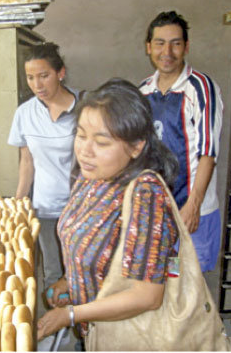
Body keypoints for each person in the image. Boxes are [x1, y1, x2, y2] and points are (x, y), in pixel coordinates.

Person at [37, 78, 180, 347]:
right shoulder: (88, 178)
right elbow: (98, 246)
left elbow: (147, 296)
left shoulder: (145, 195)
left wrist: (70, 315)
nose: (85, 150)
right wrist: (70, 281)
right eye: (81, 135)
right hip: (94, 332)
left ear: (136, 146)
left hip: (131, 338)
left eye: (101, 142)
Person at [139, 11, 224, 272]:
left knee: (191, 289)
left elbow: (208, 153)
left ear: (186, 47)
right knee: (161, 285)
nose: (167, 51)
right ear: (149, 47)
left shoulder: (200, 88)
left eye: (175, 43)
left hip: (192, 211)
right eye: (160, 43)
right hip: (157, 212)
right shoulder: (142, 91)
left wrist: (193, 205)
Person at [7, 42, 82, 291]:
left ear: (60, 73)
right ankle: (58, 324)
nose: (37, 85)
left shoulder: (84, 107)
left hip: (80, 208)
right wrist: (19, 203)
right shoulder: (24, 113)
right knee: (52, 271)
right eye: (30, 78)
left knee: (81, 270)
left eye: (44, 76)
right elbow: (27, 162)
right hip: (46, 208)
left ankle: (82, 324)